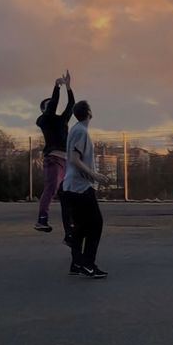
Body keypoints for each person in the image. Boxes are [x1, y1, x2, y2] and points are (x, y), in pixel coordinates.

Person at [62, 100, 109, 278]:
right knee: (96, 224)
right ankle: (88, 264)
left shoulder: (75, 129)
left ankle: (76, 263)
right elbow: (74, 159)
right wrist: (94, 175)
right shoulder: (81, 131)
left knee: (81, 226)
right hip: (79, 187)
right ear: (89, 112)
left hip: (71, 186)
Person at [35, 71, 75, 236]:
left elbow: (71, 106)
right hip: (54, 159)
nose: (52, 104)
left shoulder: (61, 120)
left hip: (66, 161)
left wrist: (69, 87)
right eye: (49, 104)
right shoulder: (44, 120)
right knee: (51, 188)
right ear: (44, 109)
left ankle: (69, 232)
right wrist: (57, 86)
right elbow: (53, 105)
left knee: (67, 195)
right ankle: (41, 219)